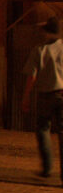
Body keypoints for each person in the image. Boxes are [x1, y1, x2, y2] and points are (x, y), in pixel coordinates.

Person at [21, 17, 63, 179]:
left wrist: (26, 97)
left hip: (45, 95)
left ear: (46, 31)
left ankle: (47, 167)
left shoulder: (39, 50)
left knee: (43, 129)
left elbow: (32, 76)